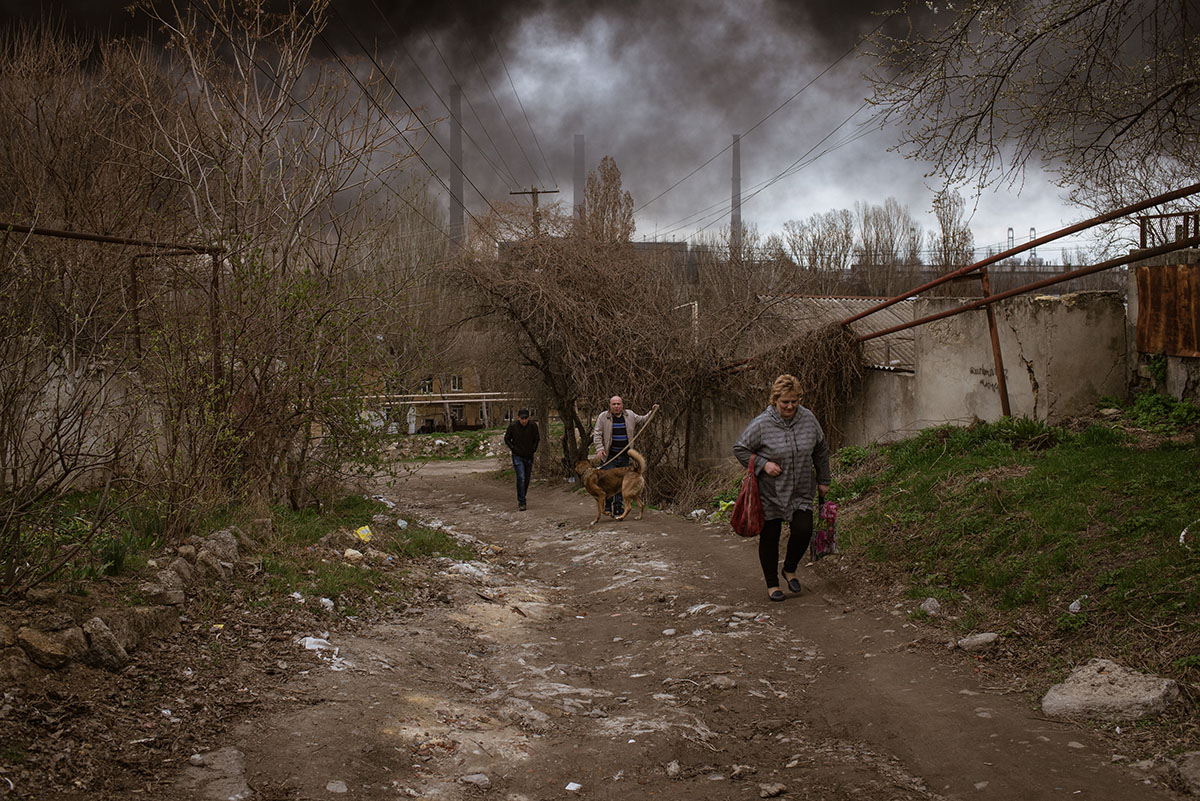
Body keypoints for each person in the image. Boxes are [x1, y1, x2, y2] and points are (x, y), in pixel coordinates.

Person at [733, 374, 831, 602]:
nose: (790, 406)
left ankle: (789, 569)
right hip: (771, 492)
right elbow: (740, 449)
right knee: (771, 536)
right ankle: (772, 584)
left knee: (803, 530)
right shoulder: (761, 424)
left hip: (802, 489)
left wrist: (823, 480)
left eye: (794, 401)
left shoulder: (808, 419)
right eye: (784, 402)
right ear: (774, 400)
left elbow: (820, 449)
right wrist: (763, 464)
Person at [592, 395, 658, 517]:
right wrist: (600, 449)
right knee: (608, 482)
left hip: (625, 455)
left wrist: (652, 411)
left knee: (622, 483)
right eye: (614, 404)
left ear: (622, 405)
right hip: (609, 455)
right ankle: (607, 506)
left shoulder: (630, 415)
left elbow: (643, 420)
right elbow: (597, 433)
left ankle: (618, 507)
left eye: (618, 404)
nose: (616, 406)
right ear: (610, 406)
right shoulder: (603, 417)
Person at [503, 409, 540, 511]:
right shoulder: (513, 426)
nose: (524, 421)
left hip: (529, 455)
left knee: (526, 479)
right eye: (522, 418)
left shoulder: (533, 426)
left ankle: (522, 496)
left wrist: (533, 449)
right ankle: (522, 501)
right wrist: (513, 448)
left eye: (526, 418)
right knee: (521, 477)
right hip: (517, 456)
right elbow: (506, 438)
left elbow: (537, 438)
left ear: (528, 418)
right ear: (518, 418)